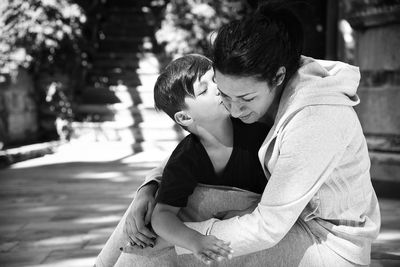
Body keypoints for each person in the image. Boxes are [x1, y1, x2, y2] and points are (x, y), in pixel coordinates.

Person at [122, 2, 380, 267]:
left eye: (245, 98)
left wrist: (190, 239)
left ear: (278, 76)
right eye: (223, 94)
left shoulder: (315, 118)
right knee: (154, 213)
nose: (233, 109)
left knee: (158, 244)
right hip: (288, 220)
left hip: (328, 242)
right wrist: (149, 187)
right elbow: (193, 153)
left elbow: (268, 227)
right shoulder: (257, 89)